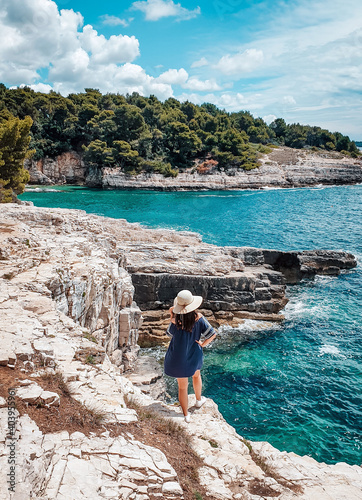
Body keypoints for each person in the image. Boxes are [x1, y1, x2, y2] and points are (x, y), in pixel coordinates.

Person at [164, 289, 217, 423]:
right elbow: (212, 334)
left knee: (182, 387)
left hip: (177, 356)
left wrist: (171, 314)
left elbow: (169, 334)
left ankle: (186, 414)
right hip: (194, 352)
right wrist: (203, 344)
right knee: (196, 375)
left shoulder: (175, 321)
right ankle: (198, 401)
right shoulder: (199, 318)